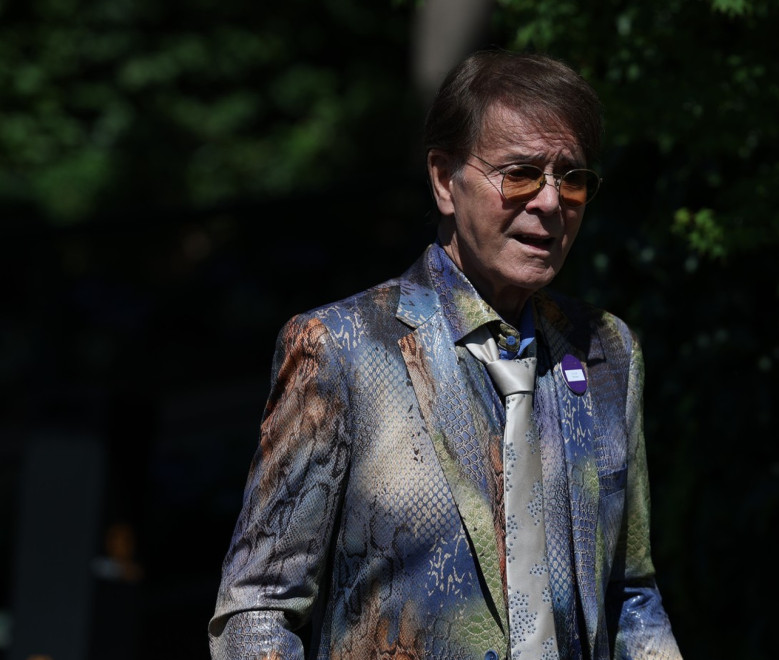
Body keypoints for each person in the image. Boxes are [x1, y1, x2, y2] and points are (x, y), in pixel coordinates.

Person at [209, 50, 683, 660]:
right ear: (443, 180)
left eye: (571, 179)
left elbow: (632, 594)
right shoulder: (342, 349)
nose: (549, 202)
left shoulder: (607, 352)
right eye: (520, 173)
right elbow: (258, 609)